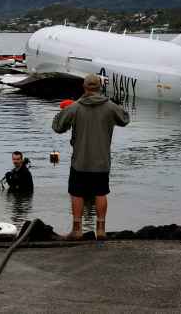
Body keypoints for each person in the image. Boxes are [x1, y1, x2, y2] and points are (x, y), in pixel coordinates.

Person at [52, 73, 129, 240]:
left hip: (80, 161)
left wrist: (64, 111)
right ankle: (101, 230)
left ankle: (77, 230)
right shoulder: (109, 106)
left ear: (84, 87)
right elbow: (125, 119)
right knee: (101, 193)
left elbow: (57, 127)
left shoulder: (75, 107)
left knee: (77, 193)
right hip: (102, 161)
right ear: (100, 88)